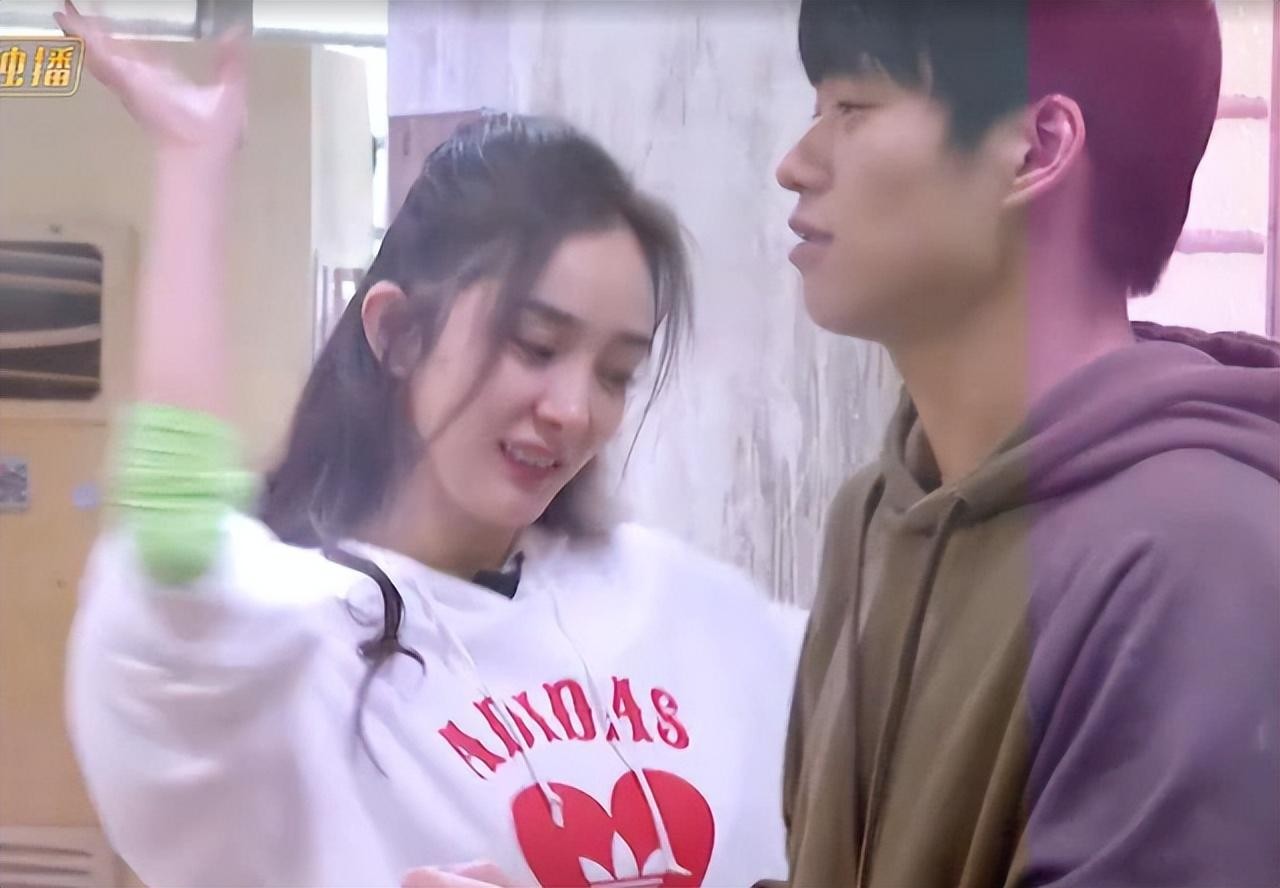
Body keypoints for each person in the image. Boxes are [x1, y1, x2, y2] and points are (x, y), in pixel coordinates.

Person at [56, 3, 800, 887]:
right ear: (398, 333)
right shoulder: (293, 639)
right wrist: (193, 166)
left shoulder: (671, 598)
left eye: (616, 373)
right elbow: (175, 558)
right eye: (534, 345)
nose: (574, 411)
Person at [768, 0, 1280, 885]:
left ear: (1038, 148)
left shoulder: (1199, 560)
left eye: (853, 108)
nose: (795, 164)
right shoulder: (876, 511)